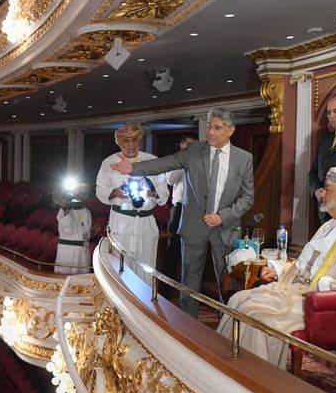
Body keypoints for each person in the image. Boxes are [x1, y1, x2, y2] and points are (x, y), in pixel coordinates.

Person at [217, 168, 336, 369]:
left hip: (316, 301)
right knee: (237, 300)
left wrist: (323, 286)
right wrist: (278, 270)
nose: (321, 193)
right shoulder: (328, 226)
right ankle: (224, 368)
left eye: (328, 189)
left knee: (256, 316)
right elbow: (305, 265)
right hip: (294, 290)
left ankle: (254, 376)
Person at [110, 108, 254, 315]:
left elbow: (248, 197)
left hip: (226, 230)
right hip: (193, 226)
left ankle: (227, 323)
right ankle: (188, 324)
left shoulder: (244, 158)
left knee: (228, 284)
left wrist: (222, 216)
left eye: (217, 128)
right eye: (209, 126)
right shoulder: (194, 151)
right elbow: (165, 163)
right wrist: (133, 168)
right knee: (189, 284)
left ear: (230, 130)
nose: (210, 132)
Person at [95, 123, 169, 283]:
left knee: (146, 266)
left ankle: (144, 298)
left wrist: (153, 192)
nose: (131, 145)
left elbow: (164, 193)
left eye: (134, 140)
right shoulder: (109, 163)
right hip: (121, 221)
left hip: (146, 222)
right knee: (120, 265)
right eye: (126, 141)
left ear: (139, 140)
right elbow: (100, 190)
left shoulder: (151, 161)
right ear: (119, 143)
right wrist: (114, 192)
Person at [162, 133, 199, 282]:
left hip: (197, 209)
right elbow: (170, 180)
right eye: (188, 145)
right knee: (173, 247)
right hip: (179, 207)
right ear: (182, 145)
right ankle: (165, 288)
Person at [54, 196, 92, 274]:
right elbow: (67, 229)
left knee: (80, 277)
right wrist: (66, 212)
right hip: (65, 249)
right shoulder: (62, 212)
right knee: (62, 277)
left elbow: (86, 232)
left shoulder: (86, 212)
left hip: (79, 250)